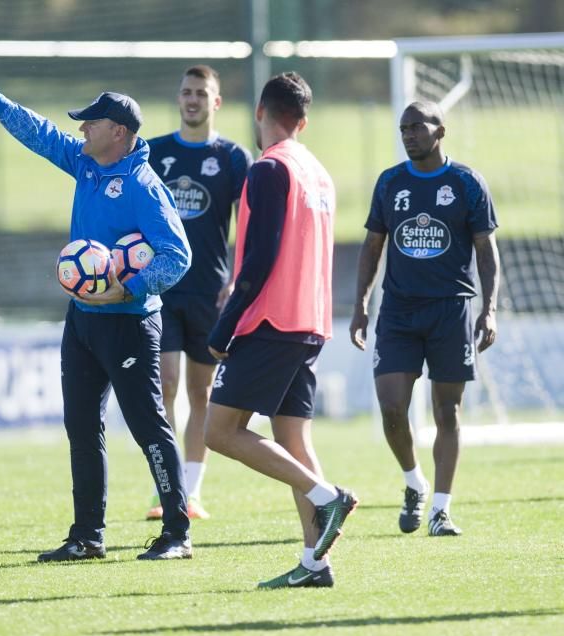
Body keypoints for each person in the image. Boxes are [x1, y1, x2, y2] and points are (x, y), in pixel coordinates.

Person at [0, 55, 194, 562]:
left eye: (92, 121)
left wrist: (126, 290)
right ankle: (87, 536)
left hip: (130, 325)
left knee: (148, 426)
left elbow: (178, 255)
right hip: (82, 322)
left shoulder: (144, 186)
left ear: (119, 132)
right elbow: (38, 132)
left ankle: (176, 533)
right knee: (81, 428)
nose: (80, 127)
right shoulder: (85, 161)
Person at [203, 73, 358, 589]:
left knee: (219, 431)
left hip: (271, 321)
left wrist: (224, 328)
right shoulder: (317, 171)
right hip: (310, 322)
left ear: (259, 113)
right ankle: (315, 565)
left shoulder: (269, 168)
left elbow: (261, 257)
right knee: (292, 438)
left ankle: (326, 495)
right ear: (303, 121)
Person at [349, 101, 500, 537]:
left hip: (451, 310)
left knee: (447, 411)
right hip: (397, 311)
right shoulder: (390, 182)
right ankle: (414, 482)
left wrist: (488, 309)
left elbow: (487, 253)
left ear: (441, 130)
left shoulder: (467, 183)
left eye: (417, 126)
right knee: (392, 409)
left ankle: (441, 510)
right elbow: (373, 246)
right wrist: (360, 304)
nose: (409, 134)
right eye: (404, 128)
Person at [145, 64, 253, 521]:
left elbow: (250, 224)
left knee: (201, 390)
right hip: (162, 288)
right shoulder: (155, 152)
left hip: (210, 294)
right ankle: (166, 490)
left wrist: (238, 278)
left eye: (201, 93)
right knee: (164, 384)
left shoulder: (232, 158)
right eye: (186, 92)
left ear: (216, 101)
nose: (192, 100)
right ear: (178, 98)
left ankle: (191, 491)